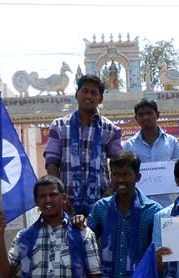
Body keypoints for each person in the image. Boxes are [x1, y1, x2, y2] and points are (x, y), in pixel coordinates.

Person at [84, 152, 160, 278]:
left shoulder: (153, 211)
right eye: (115, 174)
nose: (120, 180)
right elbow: (87, 243)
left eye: (126, 174)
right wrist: (76, 225)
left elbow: (158, 255)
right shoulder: (101, 209)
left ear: (137, 176)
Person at [44, 75, 122, 216]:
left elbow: (120, 165)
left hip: (101, 204)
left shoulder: (111, 129)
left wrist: (110, 192)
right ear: (76, 94)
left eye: (94, 93)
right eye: (85, 91)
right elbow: (51, 164)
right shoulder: (59, 126)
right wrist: (60, 196)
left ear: (100, 99)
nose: (89, 96)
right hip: (66, 205)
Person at [122, 99, 179, 206]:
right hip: (138, 206)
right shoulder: (128, 145)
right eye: (141, 114)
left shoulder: (172, 142)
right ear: (136, 118)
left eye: (149, 113)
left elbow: (178, 172)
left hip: (166, 205)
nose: (145, 117)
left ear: (157, 115)